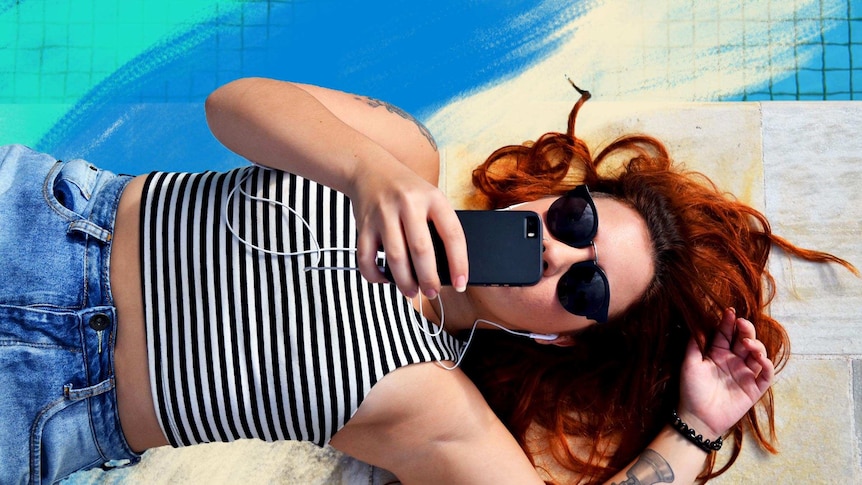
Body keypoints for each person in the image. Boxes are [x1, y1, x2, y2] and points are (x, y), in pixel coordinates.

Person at [0, 77, 853, 485]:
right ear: (558, 193)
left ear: (561, 333)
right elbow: (232, 106)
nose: (561, 253)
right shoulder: (406, 155)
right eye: (580, 221)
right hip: (42, 222)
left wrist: (693, 428)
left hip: (48, 404)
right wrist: (369, 173)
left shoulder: (437, 404)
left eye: (587, 290)